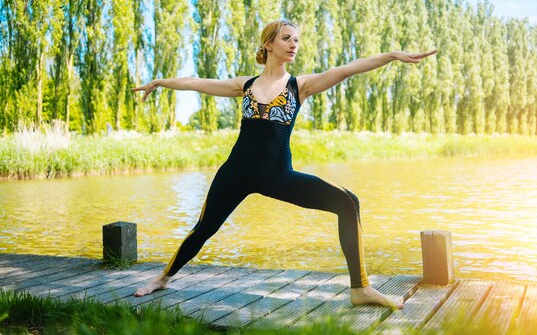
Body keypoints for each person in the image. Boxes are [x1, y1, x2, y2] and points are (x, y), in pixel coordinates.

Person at [131, 19, 436, 309]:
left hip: (277, 175)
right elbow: (197, 83)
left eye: (297, 40)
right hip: (235, 173)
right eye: (287, 38)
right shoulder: (245, 85)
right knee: (203, 229)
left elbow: (346, 70)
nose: (294, 45)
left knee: (348, 201)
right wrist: (159, 82)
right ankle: (162, 279)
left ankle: (360, 288)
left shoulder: (298, 86)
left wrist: (392, 55)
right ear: (268, 44)